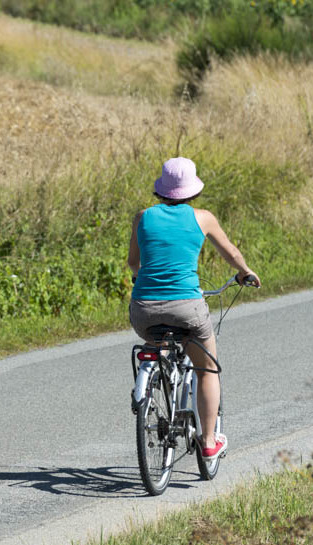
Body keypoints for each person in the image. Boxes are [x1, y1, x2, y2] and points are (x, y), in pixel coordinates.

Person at [127, 157, 260, 461]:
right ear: (192, 191)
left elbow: (134, 263)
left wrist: (141, 279)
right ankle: (210, 440)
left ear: (161, 189)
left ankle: (147, 380)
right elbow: (232, 253)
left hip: (144, 309)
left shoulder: (142, 217)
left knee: (156, 344)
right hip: (187, 309)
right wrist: (245, 272)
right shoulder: (203, 218)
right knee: (207, 368)